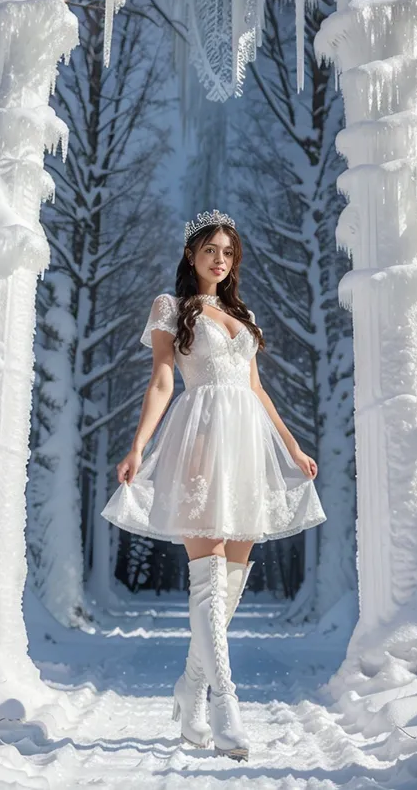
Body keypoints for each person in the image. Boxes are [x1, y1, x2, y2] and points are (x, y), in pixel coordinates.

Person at [101, 209, 326, 761]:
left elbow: (257, 389)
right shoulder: (171, 308)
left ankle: (190, 688)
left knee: (231, 581)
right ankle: (225, 702)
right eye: (210, 250)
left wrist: (293, 448)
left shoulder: (242, 314)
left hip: (248, 445)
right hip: (200, 438)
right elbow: (160, 381)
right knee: (207, 579)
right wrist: (137, 447)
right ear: (191, 254)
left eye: (227, 251)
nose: (219, 259)